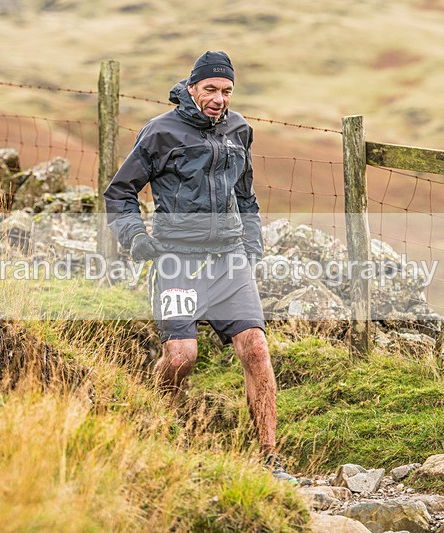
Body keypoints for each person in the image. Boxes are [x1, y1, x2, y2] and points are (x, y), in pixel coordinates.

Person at [104, 51, 296, 483]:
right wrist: (136, 238)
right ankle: (158, 431)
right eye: (210, 89)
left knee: (257, 349)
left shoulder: (239, 129)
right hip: (177, 259)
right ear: (192, 88)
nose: (219, 98)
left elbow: (245, 196)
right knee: (180, 356)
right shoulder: (160, 132)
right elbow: (119, 193)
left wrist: (253, 245)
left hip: (229, 259)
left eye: (226, 90)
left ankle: (270, 458)